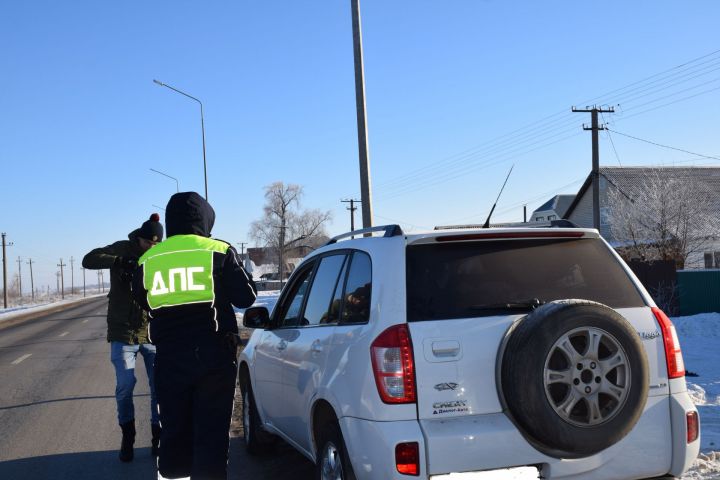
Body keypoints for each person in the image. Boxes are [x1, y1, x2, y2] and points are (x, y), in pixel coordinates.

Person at [132, 192, 257, 480]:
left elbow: (143, 300)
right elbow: (246, 297)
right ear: (205, 218)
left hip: (170, 356)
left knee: (174, 430)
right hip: (214, 355)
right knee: (211, 432)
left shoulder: (149, 259)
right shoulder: (218, 250)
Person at [82, 213, 164, 462]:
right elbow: (89, 259)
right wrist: (119, 261)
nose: (152, 247)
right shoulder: (122, 248)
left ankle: (157, 439)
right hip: (123, 331)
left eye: (156, 244)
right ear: (138, 238)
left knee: (159, 388)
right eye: (148, 243)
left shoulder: (162, 255)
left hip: (152, 332)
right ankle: (127, 437)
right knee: (126, 385)